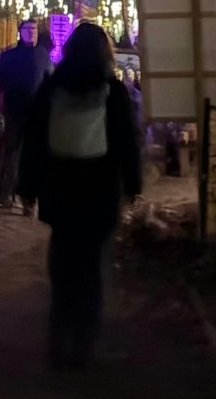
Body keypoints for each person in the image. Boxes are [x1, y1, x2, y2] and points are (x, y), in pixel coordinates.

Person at [16, 22, 143, 368]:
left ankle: (59, 340)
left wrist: (27, 187)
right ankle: (84, 344)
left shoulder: (51, 87)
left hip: (60, 189)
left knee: (63, 266)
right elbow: (127, 143)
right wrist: (133, 186)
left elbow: (34, 140)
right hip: (99, 191)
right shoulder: (113, 91)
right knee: (91, 268)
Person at [0, 19, 48, 213]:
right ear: (20, 32)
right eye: (28, 29)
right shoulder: (9, 56)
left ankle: (28, 198)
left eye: (34, 29)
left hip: (36, 112)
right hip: (14, 110)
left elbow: (49, 81)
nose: (31, 32)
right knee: (12, 152)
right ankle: (5, 192)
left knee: (32, 155)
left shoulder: (43, 55)